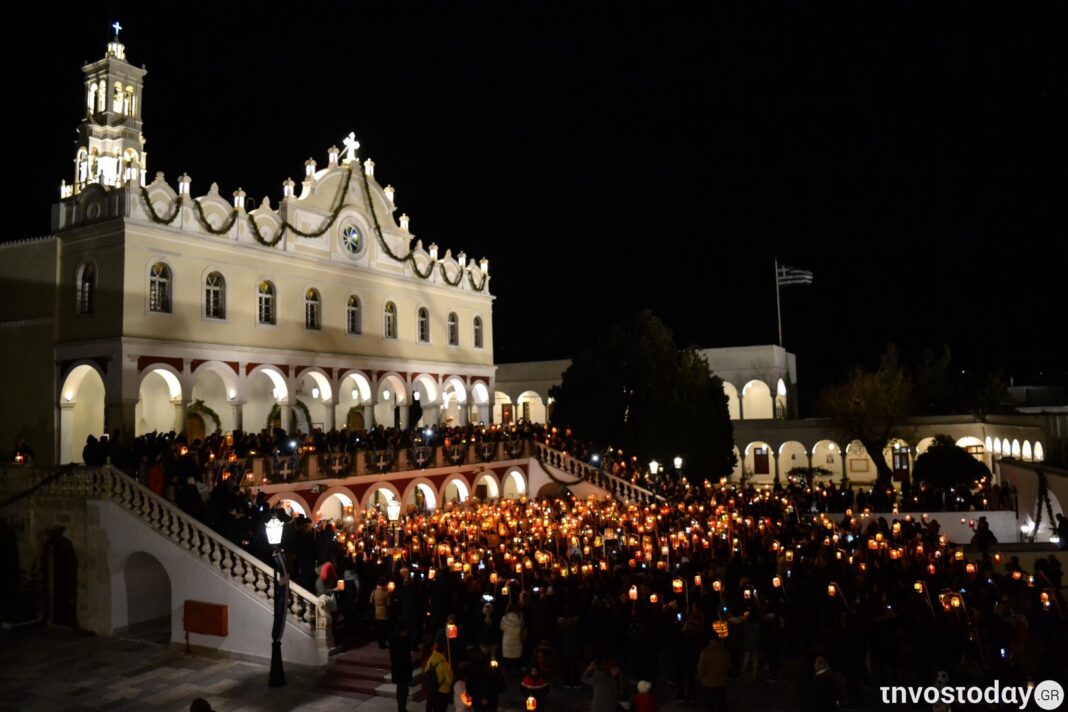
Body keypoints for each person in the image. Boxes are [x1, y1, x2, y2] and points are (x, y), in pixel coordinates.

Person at [696, 635, 730, 712]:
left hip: (708, 682)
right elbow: (728, 665)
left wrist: (700, 676)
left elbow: (701, 668)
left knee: (709, 704)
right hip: (721, 682)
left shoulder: (706, 652)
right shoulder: (724, 651)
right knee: (721, 704)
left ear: (710, 640)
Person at [422, 640, 453, 712]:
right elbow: (449, 680)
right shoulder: (444, 663)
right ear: (444, 651)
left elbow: (425, 671)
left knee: (434, 707)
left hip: (433, 688)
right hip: (443, 690)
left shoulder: (431, 658)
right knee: (441, 708)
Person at [390, 627, 414, 712]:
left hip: (401, 671)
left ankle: (402, 707)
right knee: (402, 691)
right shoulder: (398, 642)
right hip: (401, 671)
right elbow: (400, 657)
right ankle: (401, 707)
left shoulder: (399, 640)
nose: (406, 633)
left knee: (402, 690)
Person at [500, 602, 524, 676]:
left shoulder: (504, 618)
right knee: (516, 658)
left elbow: (502, 628)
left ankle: (508, 672)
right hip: (517, 639)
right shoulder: (520, 617)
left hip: (507, 640)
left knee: (507, 658)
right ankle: (516, 671)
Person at [373, 577, 391, 648]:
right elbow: (389, 603)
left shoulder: (374, 591)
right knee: (384, 629)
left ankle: (380, 643)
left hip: (377, 612)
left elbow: (371, 601)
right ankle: (383, 643)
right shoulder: (386, 593)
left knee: (379, 629)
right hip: (384, 612)